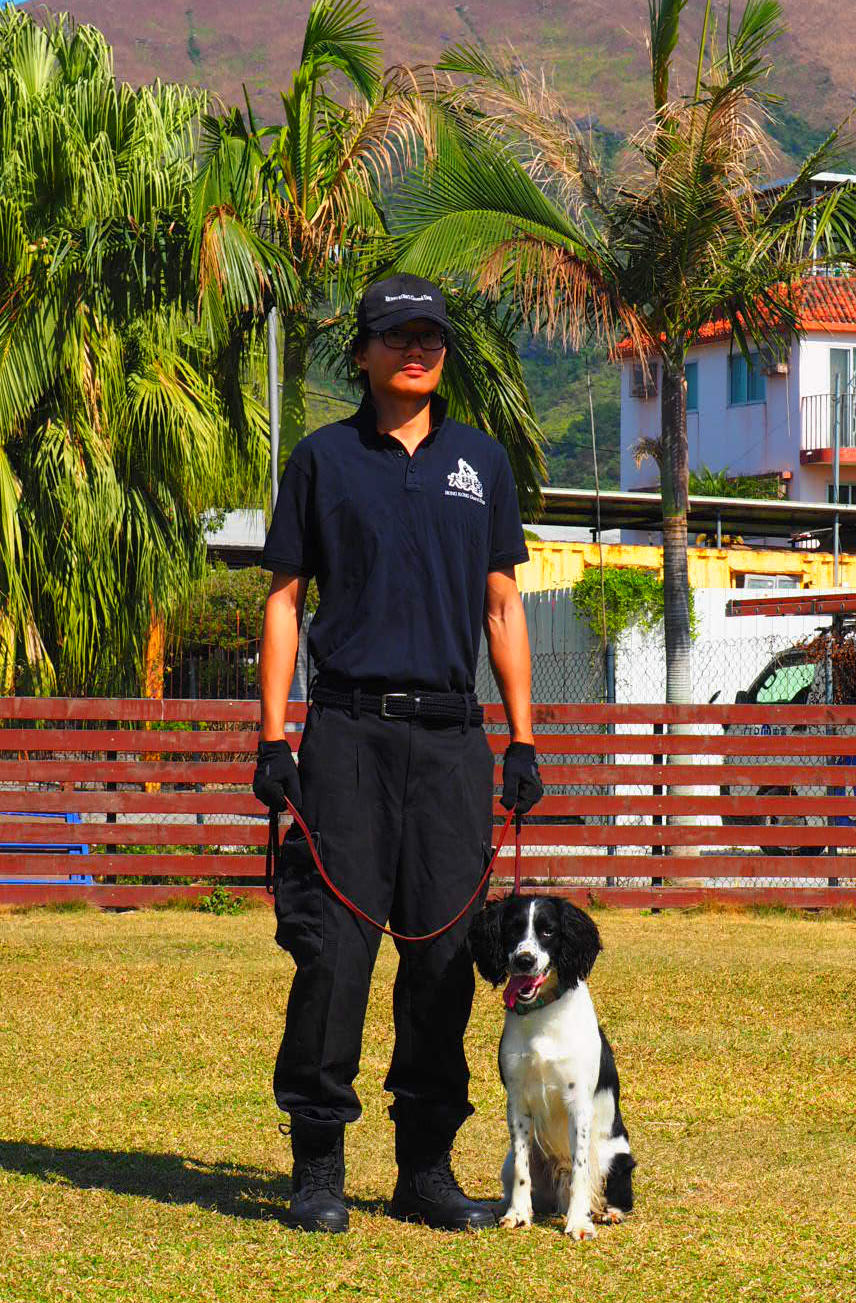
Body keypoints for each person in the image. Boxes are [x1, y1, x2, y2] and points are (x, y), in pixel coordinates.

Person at [251, 273, 544, 1233]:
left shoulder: (482, 464)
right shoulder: (324, 460)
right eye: (399, 336)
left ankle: (425, 1169)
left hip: (453, 739)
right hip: (346, 737)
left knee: (444, 953)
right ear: (366, 352)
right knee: (336, 953)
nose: (418, 350)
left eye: (433, 335)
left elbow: (503, 607)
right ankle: (319, 1169)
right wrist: (274, 736)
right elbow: (285, 600)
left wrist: (522, 740)